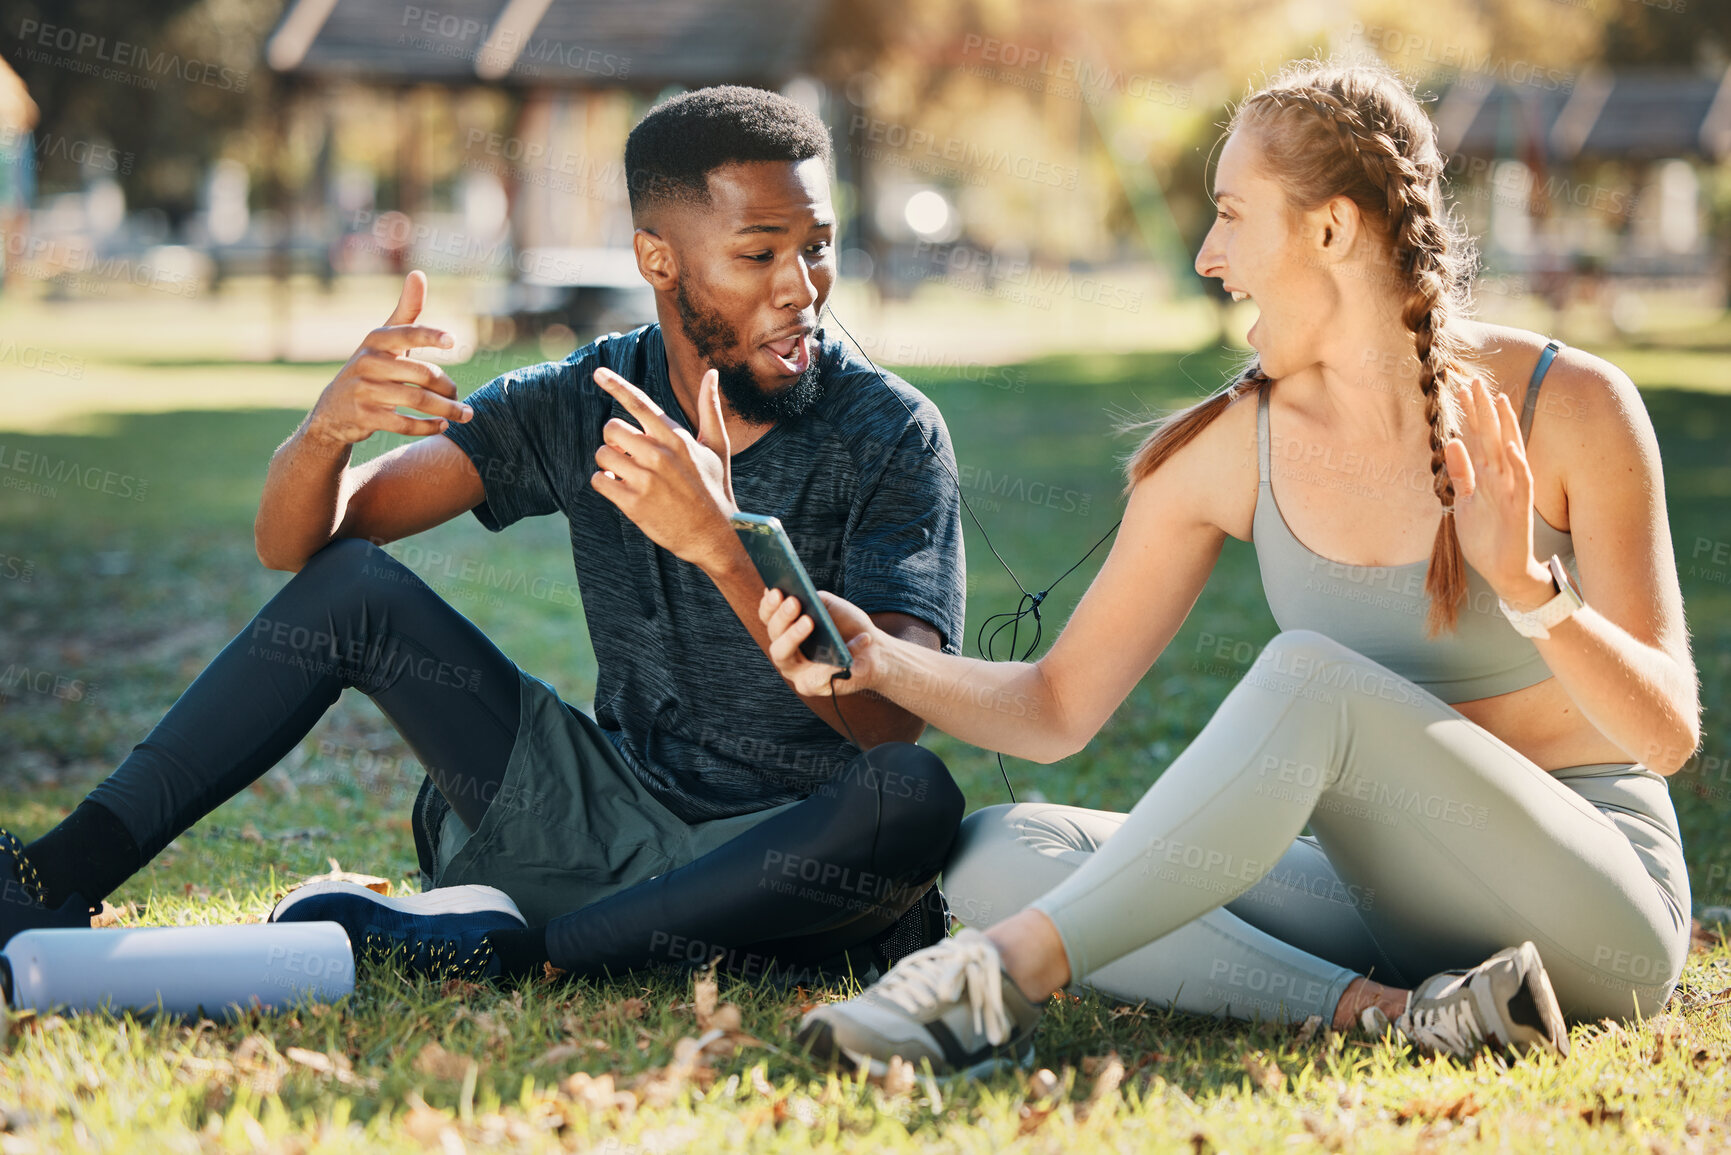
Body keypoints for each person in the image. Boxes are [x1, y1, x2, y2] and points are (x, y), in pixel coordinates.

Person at [757, 60, 1698, 1071]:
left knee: (1313, 680)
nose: (1210, 254)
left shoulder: (1574, 407)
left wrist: (1529, 592)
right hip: (1385, 909)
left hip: (1594, 917)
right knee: (1001, 853)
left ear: (1331, 231)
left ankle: (990, 982)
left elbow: (1668, 733)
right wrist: (882, 661)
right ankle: (1389, 1012)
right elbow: (1056, 706)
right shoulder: (1226, 448)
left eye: (1232, 214)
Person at [0, 86, 968, 986]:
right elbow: (303, 547)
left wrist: (723, 545)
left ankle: (538, 949)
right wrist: (326, 432)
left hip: (789, 853)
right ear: (658, 260)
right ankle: (48, 881)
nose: (802, 286)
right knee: (357, 590)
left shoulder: (891, 431)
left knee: (911, 794)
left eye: (819, 246)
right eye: (760, 253)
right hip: (602, 817)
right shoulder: (581, 400)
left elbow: (890, 721)